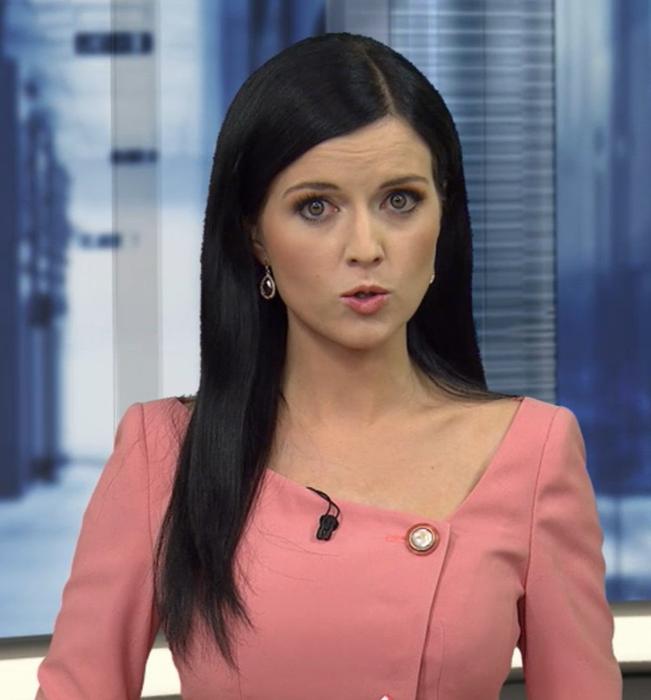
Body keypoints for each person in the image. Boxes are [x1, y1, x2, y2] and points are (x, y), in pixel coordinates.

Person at [35, 31, 622, 699]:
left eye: (400, 201)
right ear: (256, 237)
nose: (365, 247)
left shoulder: (534, 451)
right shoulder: (162, 454)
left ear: (443, 220)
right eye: (315, 207)